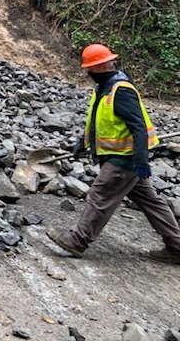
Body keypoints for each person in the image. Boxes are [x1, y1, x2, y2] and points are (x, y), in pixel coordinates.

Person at [46, 43, 180, 263]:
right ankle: (177, 245)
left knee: (100, 195)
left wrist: (141, 160)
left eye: (90, 67)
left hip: (125, 158)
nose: (87, 72)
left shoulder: (121, 91)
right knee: (151, 201)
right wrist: (83, 141)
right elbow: (99, 121)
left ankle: (77, 241)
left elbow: (138, 127)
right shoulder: (104, 88)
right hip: (120, 156)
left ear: (99, 67)